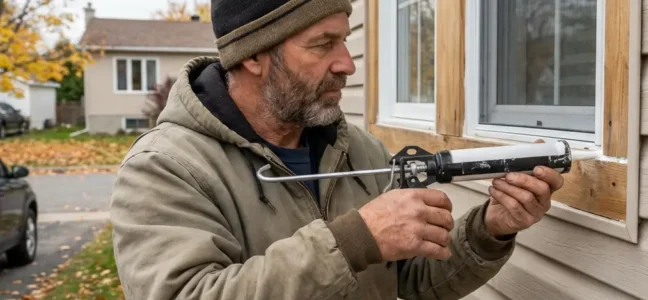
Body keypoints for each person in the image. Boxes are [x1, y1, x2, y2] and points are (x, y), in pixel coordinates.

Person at [109, 0, 565, 299]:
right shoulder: (166, 168)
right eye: (323, 44)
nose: (347, 63)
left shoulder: (359, 150)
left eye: (345, 39)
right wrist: (353, 241)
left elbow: (410, 284)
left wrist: (490, 229)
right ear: (253, 55)